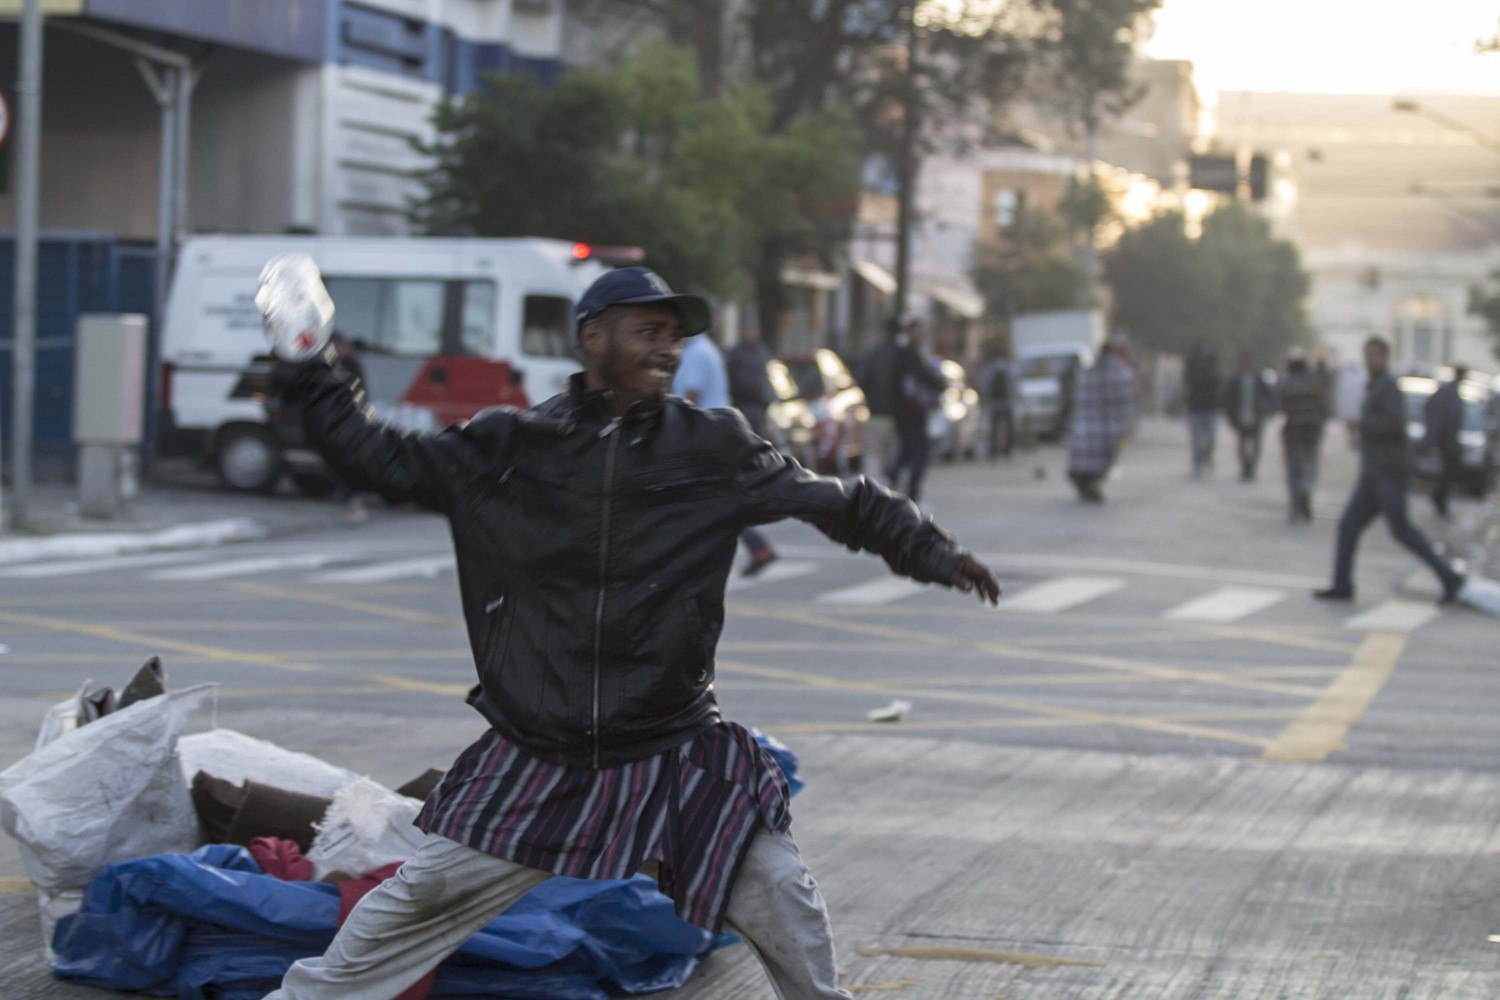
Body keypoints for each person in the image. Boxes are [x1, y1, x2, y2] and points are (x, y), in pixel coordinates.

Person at [262, 264, 1001, 1000]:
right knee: (392, 924)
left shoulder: (713, 446)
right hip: (537, 755)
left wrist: (933, 552)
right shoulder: (510, 448)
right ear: (593, 337)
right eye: (649, 332)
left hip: (670, 750)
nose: (668, 350)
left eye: (674, 338)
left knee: (783, 897)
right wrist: (308, 361)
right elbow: (372, 454)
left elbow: (835, 502)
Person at [1315, 337, 1464, 605]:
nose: (1369, 360)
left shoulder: (1388, 386)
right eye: (1366, 355)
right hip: (1373, 475)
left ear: (1384, 357)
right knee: (1349, 527)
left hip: (1388, 475)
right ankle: (1342, 583)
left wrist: (1363, 424)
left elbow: (1395, 425)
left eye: (1374, 355)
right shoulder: (1374, 385)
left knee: (1402, 530)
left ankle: (1449, 577)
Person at [673, 317, 777, 576]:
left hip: (702, 437)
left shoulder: (696, 354)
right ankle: (757, 547)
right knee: (715, 499)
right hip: (713, 434)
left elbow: (691, 399)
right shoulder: (706, 350)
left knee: (710, 499)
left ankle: (753, 548)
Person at [856, 315, 945, 498]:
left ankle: (887, 489)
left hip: (879, 413)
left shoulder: (876, 352)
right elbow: (923, 378)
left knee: (889, 455)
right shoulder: (905, 353)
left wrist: (872, 400)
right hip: (904, 413)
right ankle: (900, 491)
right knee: (913, 453)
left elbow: (863, 378)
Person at [1067, 336, 1137, 502]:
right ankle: (1090, 486)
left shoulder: (1089, 372)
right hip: (1109, 428)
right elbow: (1127, 403)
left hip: (1086, 426)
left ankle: (1087, 486)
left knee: (1083, 461)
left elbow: (1079, 398)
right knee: (1105, 460)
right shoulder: (1122, 373)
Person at [886, 319, 947, 505]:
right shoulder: (908, 355)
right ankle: (911, 496)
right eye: (919, 332)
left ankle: (891, 481)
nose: (922, 336)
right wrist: (940, 384)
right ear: (910, 332)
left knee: (907, 453)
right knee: (919, 454)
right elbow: (923, 377)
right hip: (910, 414)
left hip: (906, 414)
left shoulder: (907, 354)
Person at [1278, 349, 1327, 523]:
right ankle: (1305, 491)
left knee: (1293, 468)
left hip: (1293, 430)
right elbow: (1323, 406)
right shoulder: (1314, 384)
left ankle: (1296, 500)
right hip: (1311, 431)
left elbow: (1279, 404)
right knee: (1309, 464)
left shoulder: (1287, 384)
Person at [1223, 351, 1275, 482]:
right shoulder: (1236, 379)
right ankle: (1245, 467)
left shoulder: (1259, 378)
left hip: (1256, 416)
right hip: (1241, 416)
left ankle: (1252, 467)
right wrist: (1230, 416)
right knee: (1242, 444)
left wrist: (1268, 411)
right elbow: (1229, 398)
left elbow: (1269, 396)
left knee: (1256, 444)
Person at [1423, 365, 1467, 519]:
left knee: (1449, 472)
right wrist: (1434, 440)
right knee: (1448, 472)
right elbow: (1438, 414)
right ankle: (1439, 499)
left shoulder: (1452, 391)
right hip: (1447, 442)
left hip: (1450, 441)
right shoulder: (1448, 391)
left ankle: (1440, 499)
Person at [1184, 341, 1220, 478]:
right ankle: (1197, 464)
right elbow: (1190, 382)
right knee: (1196, 440)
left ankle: (1207, 457)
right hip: (1196, 409)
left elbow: (1218, 385)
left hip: (1210, 409)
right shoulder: (1192, 369)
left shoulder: (1214, 369)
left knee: (1211, 439)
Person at [978, 342, 1015, 459]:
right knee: (1008, 427)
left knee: (994, 427)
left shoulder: (989, 367)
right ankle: (1007, 450)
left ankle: (993, 450)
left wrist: (986, 399)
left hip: (994, 403)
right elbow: (1012, 383)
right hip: (1006, 403)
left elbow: (985, 385)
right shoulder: (1008, 366)